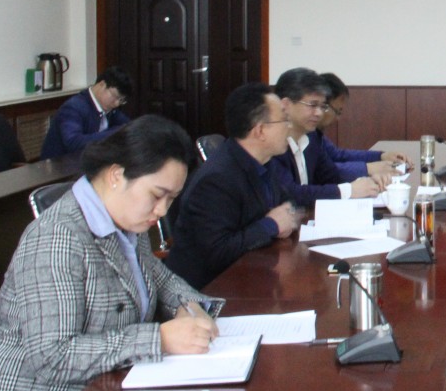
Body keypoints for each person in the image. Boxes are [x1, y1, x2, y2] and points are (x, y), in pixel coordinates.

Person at [0, 115, 221, 391]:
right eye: (157, 196)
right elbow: (51, 357)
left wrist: (197, 309)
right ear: (116, 175)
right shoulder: (57, 239)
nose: (162, 212)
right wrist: (157, 339)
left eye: (171, 199)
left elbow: (159, 278)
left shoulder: (124, 221)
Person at [165, 83, 300, 290]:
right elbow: (217, 252)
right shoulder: (217, 180)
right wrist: (271, 225)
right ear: (260, 131)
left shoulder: (264, 162)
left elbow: (285, 202)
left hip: (251, 276)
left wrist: (286, 216)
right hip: (206, 291)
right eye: (284, 120)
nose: (289, 127)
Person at [267, 68, 380, 207]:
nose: (319, 113)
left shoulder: (312, 138)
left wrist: (369, 180)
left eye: (322, 106)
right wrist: (348, 190)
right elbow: (291, 194)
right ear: (286, 105)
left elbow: (331, 176)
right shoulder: (272, 144)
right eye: (313, 105)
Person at [317, 72, 410, 180]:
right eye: (337, 111)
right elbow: (322, 172)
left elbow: (338, 156)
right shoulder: (307, 134)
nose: (337, 118)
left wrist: (381, 156)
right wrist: (368, 168)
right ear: (324, 106)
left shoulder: (316, 134)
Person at [39, 65, 134, 159]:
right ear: (102, 84)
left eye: (122, 100)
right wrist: (115, 133)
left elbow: (128, 126)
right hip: (60, 166)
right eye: (115, 96)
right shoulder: (73, 108)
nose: (117, 104)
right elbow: (73, 143)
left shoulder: (109, 109)